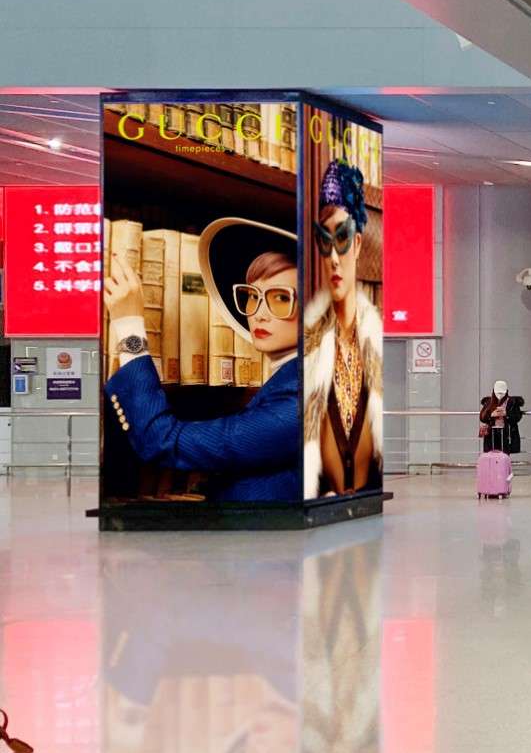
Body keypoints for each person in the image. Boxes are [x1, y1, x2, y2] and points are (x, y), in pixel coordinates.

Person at [101, 221, 302, 502]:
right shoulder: (293, 379)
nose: (259, 313)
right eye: (251, 296)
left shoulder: (300, 401)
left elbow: (161, 440)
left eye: (281, 298)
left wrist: (129, 326)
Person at [300, 160, 384, 498]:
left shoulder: (378, 343)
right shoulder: (307, 348)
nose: (334, 257)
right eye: (325, 240)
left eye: (343, 237)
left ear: (358, 243)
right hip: (324, 509)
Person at [480, 380, 524, 454]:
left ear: (506, 391)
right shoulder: (488, 402)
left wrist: (506, 414)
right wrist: (491, 415)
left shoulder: (512, 402)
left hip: (507, 434)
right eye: (497, 393)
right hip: (492, 435)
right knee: (491, 456)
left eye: (502, 393)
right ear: (494, 391)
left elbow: (517, 417)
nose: (499, 395)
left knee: (505, 456)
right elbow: (482, 418)